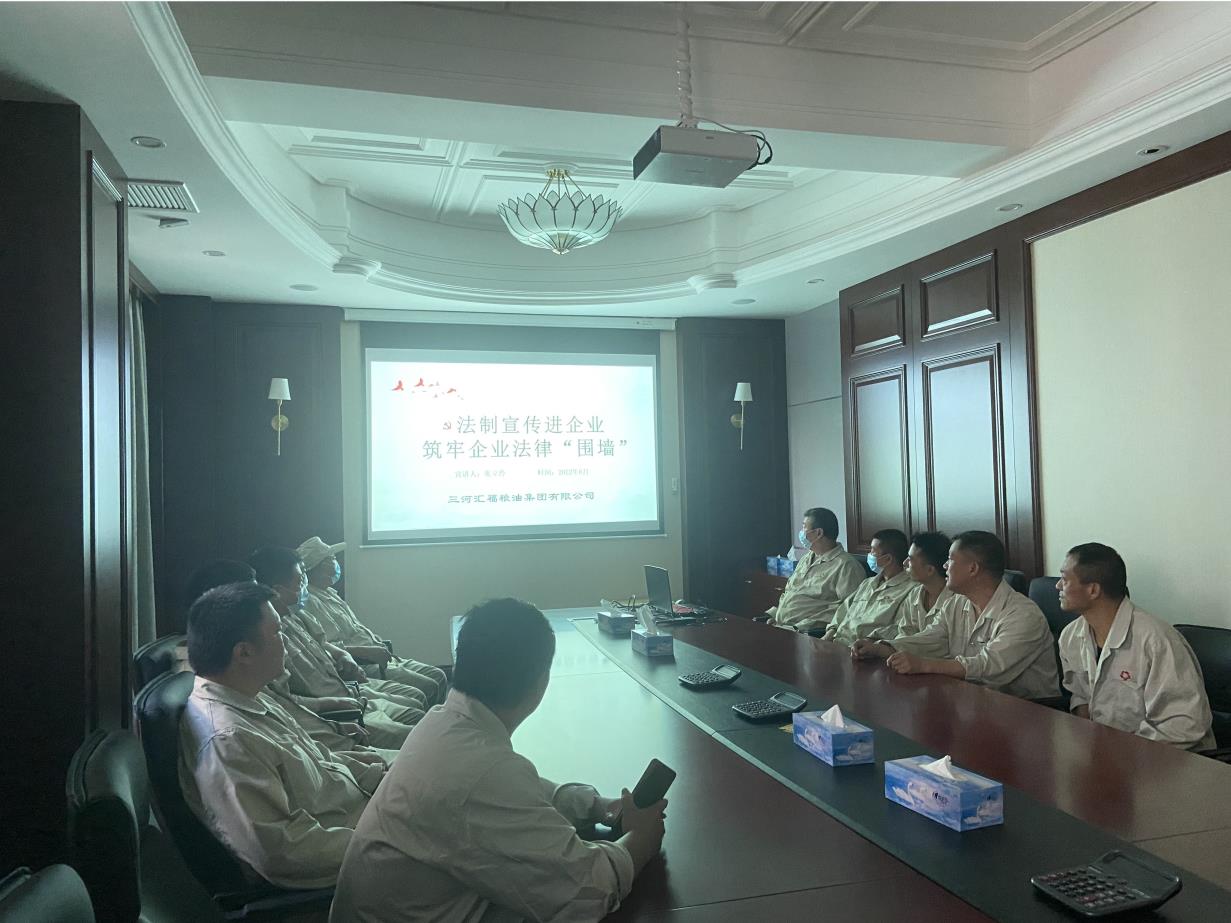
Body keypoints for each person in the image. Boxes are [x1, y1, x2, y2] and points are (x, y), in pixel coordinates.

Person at [330, 598, 667, 922]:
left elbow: (511, 794)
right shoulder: (484, 772)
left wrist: (598, 805)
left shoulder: (443, 721)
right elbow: (588, 890)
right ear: (541, 682)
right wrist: (642, 838)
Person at [179, 582, 385, 889]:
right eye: (277, 632)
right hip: (354, 857)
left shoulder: (250, 695)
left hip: (362, 812)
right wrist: (386, 840)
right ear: (244, 652)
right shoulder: (229, 740)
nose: (285, 640)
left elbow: (319, 760)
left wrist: (381, 774)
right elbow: (282, 853)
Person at [185, 558, 396, 762]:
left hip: (338, 750)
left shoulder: (253, 692)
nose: (284, 638)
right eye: (277, 632)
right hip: (341, 754)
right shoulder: (231, 733)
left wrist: (339, 731)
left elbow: (313, 757)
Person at [249, 547, 424, 748]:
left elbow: (324, 644)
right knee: (420, 733)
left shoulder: (295, 616)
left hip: (349, 692)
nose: (304, 586)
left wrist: (343, 656)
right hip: (337, 713)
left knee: (417, 711)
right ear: (278, 591)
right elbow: (288, 703)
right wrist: (333, 705)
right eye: (300, 581)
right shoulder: (269, 641)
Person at [851, 531, 1059, 700]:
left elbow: (990, 666)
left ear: (973, 568)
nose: (944, 566)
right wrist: (883, 647)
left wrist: (924, 664)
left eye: (950, 560)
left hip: (1027, 713)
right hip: (973, 702)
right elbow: (931, 639)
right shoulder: (957, 603)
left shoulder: (1023, 614)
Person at [1056, 543, 1215, 750]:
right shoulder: (1070, 637)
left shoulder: (1156, 640)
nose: (1058, 586)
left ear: (1093, 590)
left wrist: (1121, 753)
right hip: (1109, 753)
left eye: (1065, 579)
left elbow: (1184, 725)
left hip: (1168, 757)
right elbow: (1081, 698)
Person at [297, 535, 448, 707]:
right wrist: (368, 651)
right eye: (331, 559)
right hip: (364, 663)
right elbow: (325, 647)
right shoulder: (309, 602)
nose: (336, 562)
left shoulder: (329, 593)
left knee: (438, 676)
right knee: (428, 687)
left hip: (380, 655)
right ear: (317, 567)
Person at [766, 507, 865, 632]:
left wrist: (801, 628)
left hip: (807, 632)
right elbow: (791, 592)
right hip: (781, 626)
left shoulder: (846, 566)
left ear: (818, 533)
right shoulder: (807, 558)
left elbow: (850, 609)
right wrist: (775, 615)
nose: (801, 532)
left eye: (804, 527)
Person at [821, 528, 914, 645]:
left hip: (863, 649)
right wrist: (828, 635)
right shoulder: (867, 583)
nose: (869, 555)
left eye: (873, 551)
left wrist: (868, 644)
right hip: (836, 643)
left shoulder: (910, 590)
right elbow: (843, 611)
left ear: (888, 559)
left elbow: (898, 629)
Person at [895, 531, 957, 637]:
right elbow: (905, 633)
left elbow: (940, 640)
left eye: (910, 559)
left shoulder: (956, 599)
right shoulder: (914, 595)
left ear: (930, 570)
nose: (904, 563)